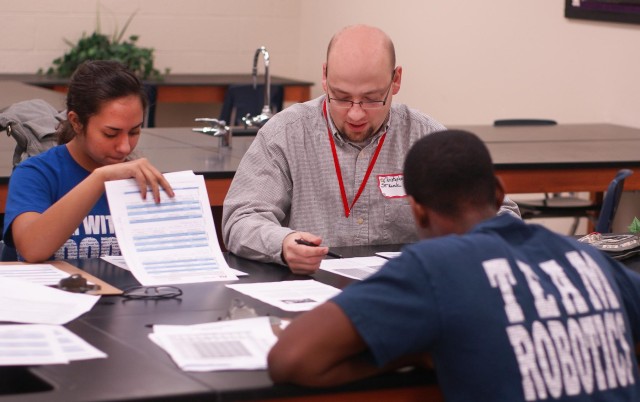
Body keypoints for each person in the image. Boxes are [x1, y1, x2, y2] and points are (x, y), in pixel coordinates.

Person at [268, 129, 640, 401]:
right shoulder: (586, 257)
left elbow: (292, 359)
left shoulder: (434, 269)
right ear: (498, 192)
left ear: (416, 210)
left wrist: (418, 350)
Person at [222, 25, 520, 274]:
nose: (355, 114)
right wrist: (283, 244)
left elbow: (503, 216)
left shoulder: (425, 137)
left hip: (406, 292)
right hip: (313, 292)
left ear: (396, 80)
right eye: (340, 97)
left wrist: (458, 249)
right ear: (324, 76)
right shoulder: (285, 133)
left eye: (372, 99)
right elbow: (241, 219)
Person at [2, 60, 174, 262]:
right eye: (111, 134)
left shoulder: (142, 181)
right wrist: (100, 178)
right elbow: (31, 249)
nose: (125, 147)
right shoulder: (35, 173)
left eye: (135, 131)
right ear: (76, 122)